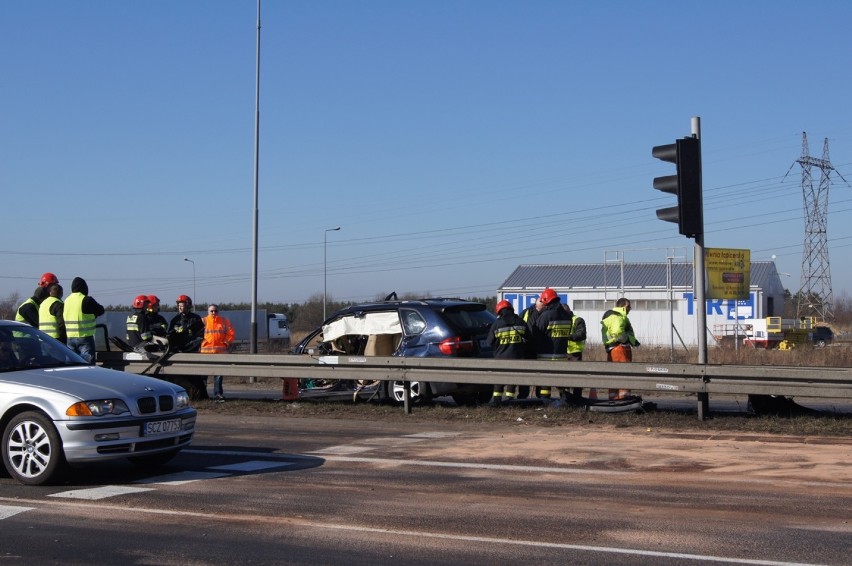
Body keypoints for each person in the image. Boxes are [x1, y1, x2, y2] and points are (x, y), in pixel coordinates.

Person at [531, 288, 571, 405]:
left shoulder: (546, 315)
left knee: (545, 383)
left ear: (546, 300)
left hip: (546, 355)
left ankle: (545, 402)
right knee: (562, 382)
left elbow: (536, 333)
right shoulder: (567, 316)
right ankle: (565, 401)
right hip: (562, 356)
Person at [486, 300, 530, 406]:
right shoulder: (521, 322)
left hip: (500, 358)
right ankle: (509, 400)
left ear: (499, 311)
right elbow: (529, 339)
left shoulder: (497, 324)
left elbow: (489, 342)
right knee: (512, 379)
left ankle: (497, 401)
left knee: (499, 380)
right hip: (517, 358)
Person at [600, 297, 640, 400]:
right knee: (624, 374)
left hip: (613, 348)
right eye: (628, 306)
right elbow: (618, 332)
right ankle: (623, 399)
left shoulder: (612, 316)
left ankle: (614, 399)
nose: (630, 308)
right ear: (623, 307)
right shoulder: (618, 317)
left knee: (614, 375)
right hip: (620, 348)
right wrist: (626, 340)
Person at [63, 276, 105, 363]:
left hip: (70, 337)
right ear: (84, 288)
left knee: (72, 364)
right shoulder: (86, 299)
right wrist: (94, 315)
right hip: (84, 337)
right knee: (87, 365)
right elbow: (101, 310)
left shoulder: (66, 300)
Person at [201, 304, 235, 401]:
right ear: (208, 312)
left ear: (218, 311)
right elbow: (196, 334)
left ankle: (218, 394)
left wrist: (225, 343)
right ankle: (203, 395)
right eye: (211, 311)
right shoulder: (203, 321)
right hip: (205, 354)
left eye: (215, 311)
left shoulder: (224, 321)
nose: (213, 313)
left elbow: (231, 333)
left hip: (219, 353)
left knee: (219, 375)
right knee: (203, 376)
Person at [561, 301, 587, 404]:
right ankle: (565, 399)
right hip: (563, 353)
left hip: (574, 353)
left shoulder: (577, 320)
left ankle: (577, 399)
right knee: (564, 379)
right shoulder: (562, 320)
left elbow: (581, 335)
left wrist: (567, 337)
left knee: (577, 378)